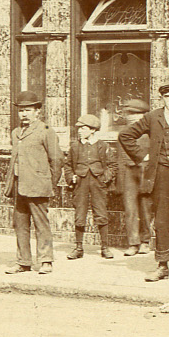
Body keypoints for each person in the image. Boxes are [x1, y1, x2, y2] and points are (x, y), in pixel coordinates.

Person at [121, 80, 169, 282]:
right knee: (162, 220)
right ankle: (162, 265)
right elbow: (126, 135)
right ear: (162, 98)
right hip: (161, 173)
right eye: (167, 96)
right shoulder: (152, 117)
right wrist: (142, 156)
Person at [5, 92, 64, 275]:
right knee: (20, 225)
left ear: (37, 111)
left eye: (28, 110)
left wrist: (49, 183)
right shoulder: (16, 133)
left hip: (38, 185)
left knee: (41, 224)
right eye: (21, 110)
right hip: (19, 185)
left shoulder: (45, 130)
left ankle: (46, 261)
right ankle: (23, 262)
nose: (24, 114)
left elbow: (57, 159)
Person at [67, 111, 120, 259]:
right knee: (80, 214)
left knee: (101, 213)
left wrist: (105, 178)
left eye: (83, 128)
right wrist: (71, 177)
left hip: (98, 183)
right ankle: (78, 248)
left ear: (92, 130)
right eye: (79, 128)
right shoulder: (75, 147)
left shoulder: (103, 146)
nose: (79, 131)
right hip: (80, 183)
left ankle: (105, 247)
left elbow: (113, 165)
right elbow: (68, 165)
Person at [112, 98, 150, 254]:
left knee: (146, 208)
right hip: (129, 172)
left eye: (135, 114)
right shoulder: (123, 133)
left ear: (143, 115)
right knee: (130, 209)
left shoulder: (150, 133)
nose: (131, 117)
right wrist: (119, 181)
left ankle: (146, 241)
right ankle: (133, 243)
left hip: (145, 173)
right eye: (129, 114)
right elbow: (120, 159)